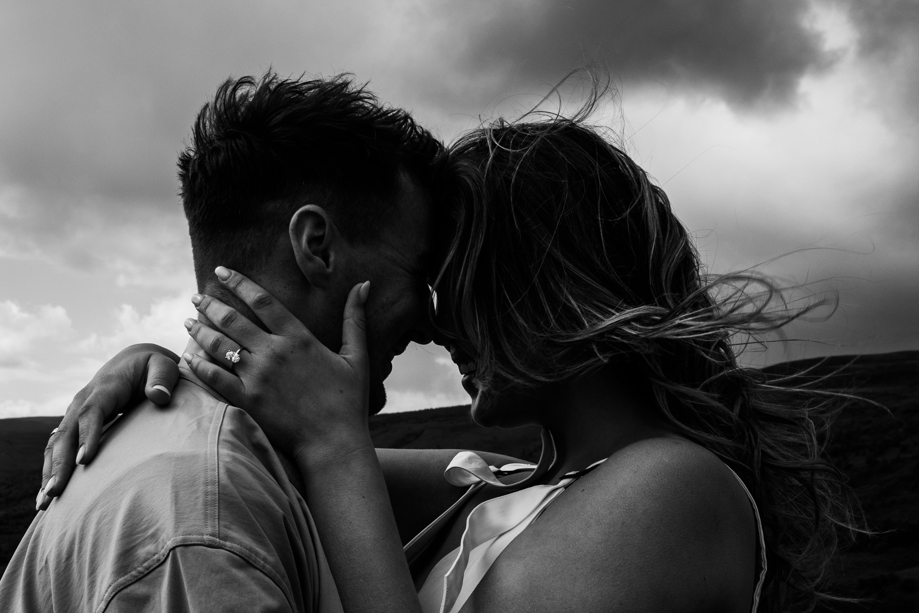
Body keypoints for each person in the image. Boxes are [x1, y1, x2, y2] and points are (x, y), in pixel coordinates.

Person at [33, 90, 862, 613]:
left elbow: (327, 459)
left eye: (453, 278)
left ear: (547, 279)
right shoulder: (504, 483)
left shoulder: (670, 487)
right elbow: (269, 452)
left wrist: (335, 445)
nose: (436, 325)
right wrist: (171, 367)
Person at [0, 71, 454, 612]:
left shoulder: (257, 460)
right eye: (417, 274)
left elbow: (502, 482)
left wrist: (336, 446)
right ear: (317, 247)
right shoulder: (207, 525)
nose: (429, 326)